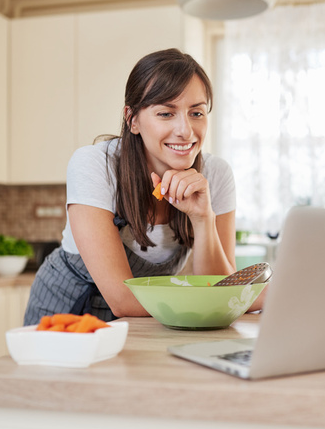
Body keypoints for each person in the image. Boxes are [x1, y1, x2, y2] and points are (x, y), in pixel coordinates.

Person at [24, 48, 263, 325]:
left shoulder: (216, 174)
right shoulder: (94, 164)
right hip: (69, 311)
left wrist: (203, 218)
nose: (186, 130)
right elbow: (122, 300)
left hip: (150, 317)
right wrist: (255, 297)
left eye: (196, 113)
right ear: (132, 119)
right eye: (165, 113)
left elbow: (224, 293)